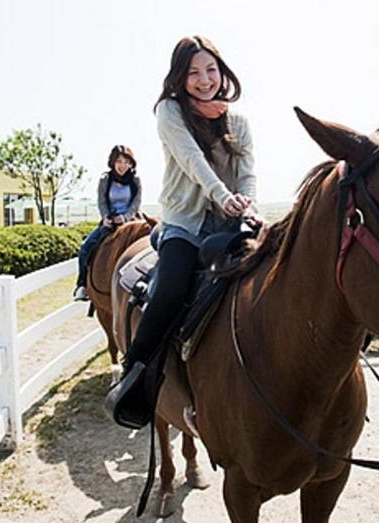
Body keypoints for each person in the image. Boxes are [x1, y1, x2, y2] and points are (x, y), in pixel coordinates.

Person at [104, 35, 257, 428]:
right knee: (170, 291)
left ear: (222, 71)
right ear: (180, 77)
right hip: (185, 224)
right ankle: (134, 377)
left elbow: (248, 172)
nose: (204, 79)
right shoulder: (169, 111)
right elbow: (191, 160)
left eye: (210, 69)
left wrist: (248, 203)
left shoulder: (238, 121)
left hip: (229, 221)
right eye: (193, 72)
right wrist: (223, 196)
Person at [73, 145, 142, 301]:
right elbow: (102, 201)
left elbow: (136, 203)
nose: (122, 165)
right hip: (109, 221)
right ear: (113, 162)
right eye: (119, 161)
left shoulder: (135, 180)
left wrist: (125, 217)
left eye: (126, 161)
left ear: (131, 163)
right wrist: (105, 217)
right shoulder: (105, 179)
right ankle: (82, 285)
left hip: (131, 220)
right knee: (85, 248)